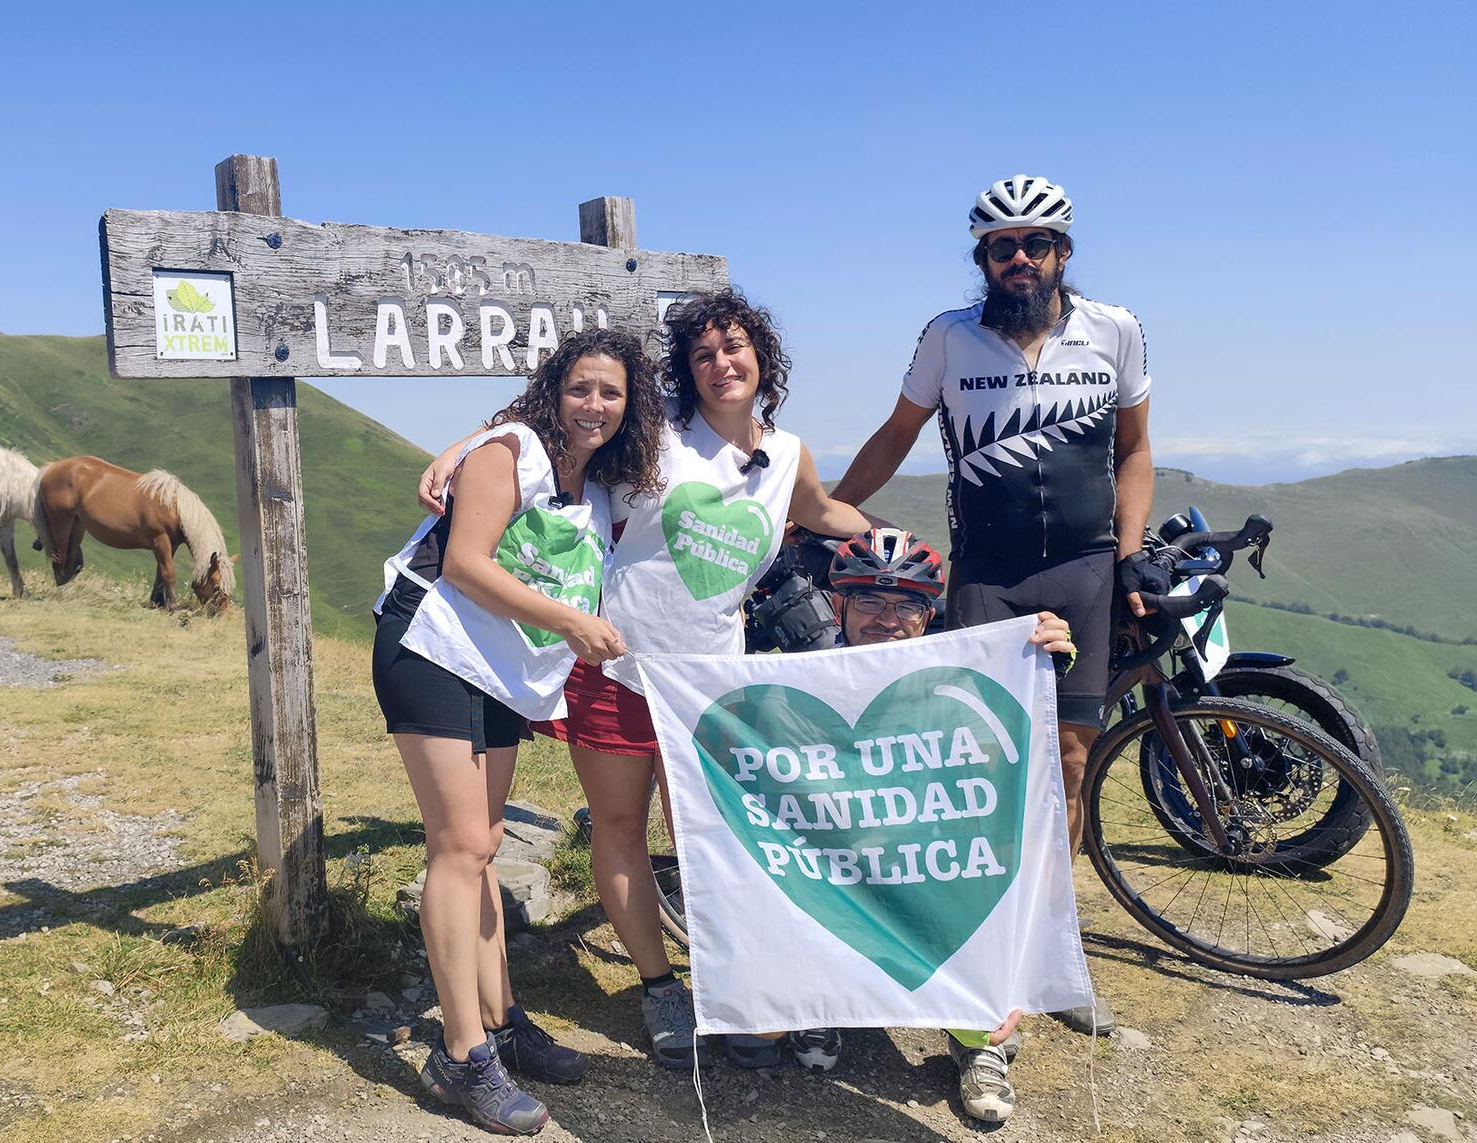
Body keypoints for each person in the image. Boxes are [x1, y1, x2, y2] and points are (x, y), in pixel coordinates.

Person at [420, 288, 871, 1071]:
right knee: (623, 831)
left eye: (734, 348)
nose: (720, 363)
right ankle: (661, 987)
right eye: (702, 354)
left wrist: (912, 549)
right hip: (616, 668)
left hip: (716, 688)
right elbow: (551, 423)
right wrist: (463, 447)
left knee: (724, 841)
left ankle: (741, 989)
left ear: (762, 357)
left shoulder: (788, 453)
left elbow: (826, 511)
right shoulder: (653, 430)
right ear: (686, 370)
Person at [833, 174, 1153, 1038]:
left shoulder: (1115, 330)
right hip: (988, 574)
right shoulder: (950, 337)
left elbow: (1134, 453)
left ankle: (1051, 952)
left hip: (1083, 570)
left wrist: (1128, 558)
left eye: (1035, 243)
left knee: (1072, 760)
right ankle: (973, 944)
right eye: (1001, 246)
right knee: (977, 768)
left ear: (1062, 253)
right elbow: (896, 437)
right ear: (982, 257)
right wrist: (816, 509)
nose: (1019, 258)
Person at [376, 327, 664, 1136]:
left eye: (611, 393)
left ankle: (502, 1022)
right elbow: (467, 562)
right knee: (461, 844)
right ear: (553, 389)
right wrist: (571, 621)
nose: (595, 405)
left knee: (486, 844)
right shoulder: (511, 450)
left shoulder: (598, 483)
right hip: (432, 645)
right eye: (580, 388)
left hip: (499, 667)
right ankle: (462, 1054)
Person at [724, 528, 1075, 1123]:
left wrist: (1042, 662)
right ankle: (821, 1003)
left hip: (926, 852)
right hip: (838, 855)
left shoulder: (955, 674)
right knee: (795, 890)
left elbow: (1010, 754)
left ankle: (977, 1041)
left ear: (929, 612)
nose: (888, 618)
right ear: (838, 605)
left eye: (907, 604)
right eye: (869, 601)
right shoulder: (796, 676)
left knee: (973, 887)